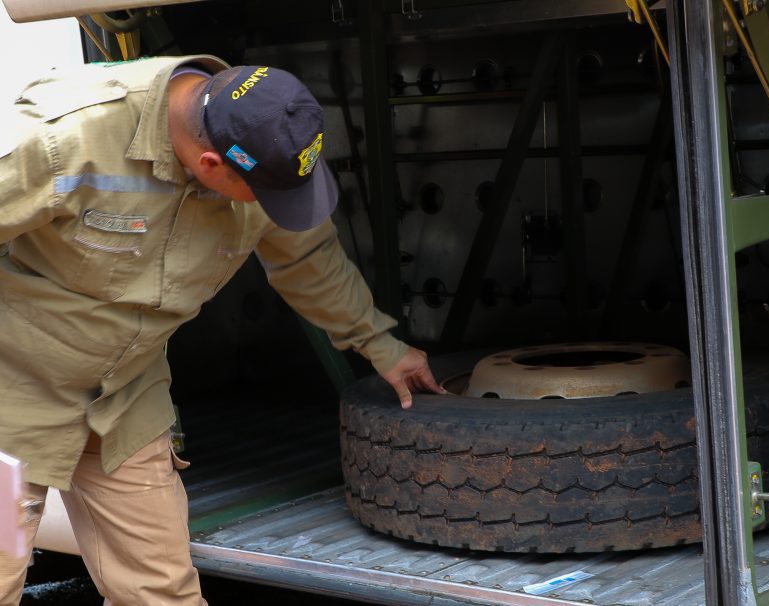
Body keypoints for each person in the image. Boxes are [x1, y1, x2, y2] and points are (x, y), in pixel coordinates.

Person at [0, 55, 444, 605]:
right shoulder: (66, 139)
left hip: (124, 400)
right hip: (13, 399)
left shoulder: (265, 145)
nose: (277, 208)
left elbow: (309, 260)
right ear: (210, 165)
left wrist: (380, 344)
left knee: (162, 592)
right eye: (267, 196)